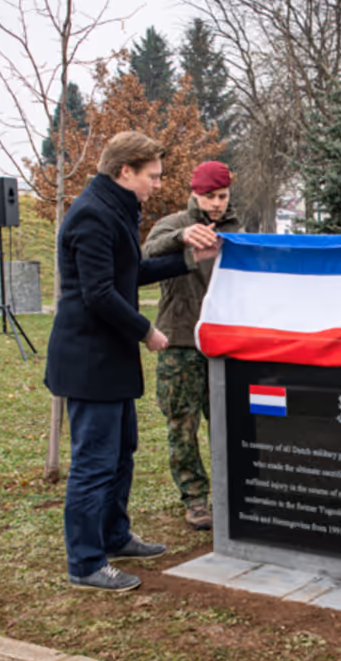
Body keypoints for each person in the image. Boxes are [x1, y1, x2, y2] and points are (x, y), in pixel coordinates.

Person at [45, 132, 220, 593]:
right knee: (93, 463)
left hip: (111, 359)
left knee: (121, 453)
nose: (158, 185)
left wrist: (188, 260)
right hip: (90, 361)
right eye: (152, 176)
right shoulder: (91, 216)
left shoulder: (116, 210)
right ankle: (85, 562)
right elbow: (98, 293)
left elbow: (132, 273)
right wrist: (147, 331)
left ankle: (115, 537)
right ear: (126, 172)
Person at [142, 161, 241, 531]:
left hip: (224, 342)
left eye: (222, 196)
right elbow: (147, 253)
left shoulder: (235, 231)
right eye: (209, 196)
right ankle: (195, 498)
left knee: (228, 422)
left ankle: (234, 491)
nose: (216, 204)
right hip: (180, 340)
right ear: (194, 193)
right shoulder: (172, 225)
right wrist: (182, 237)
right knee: (182, 423)